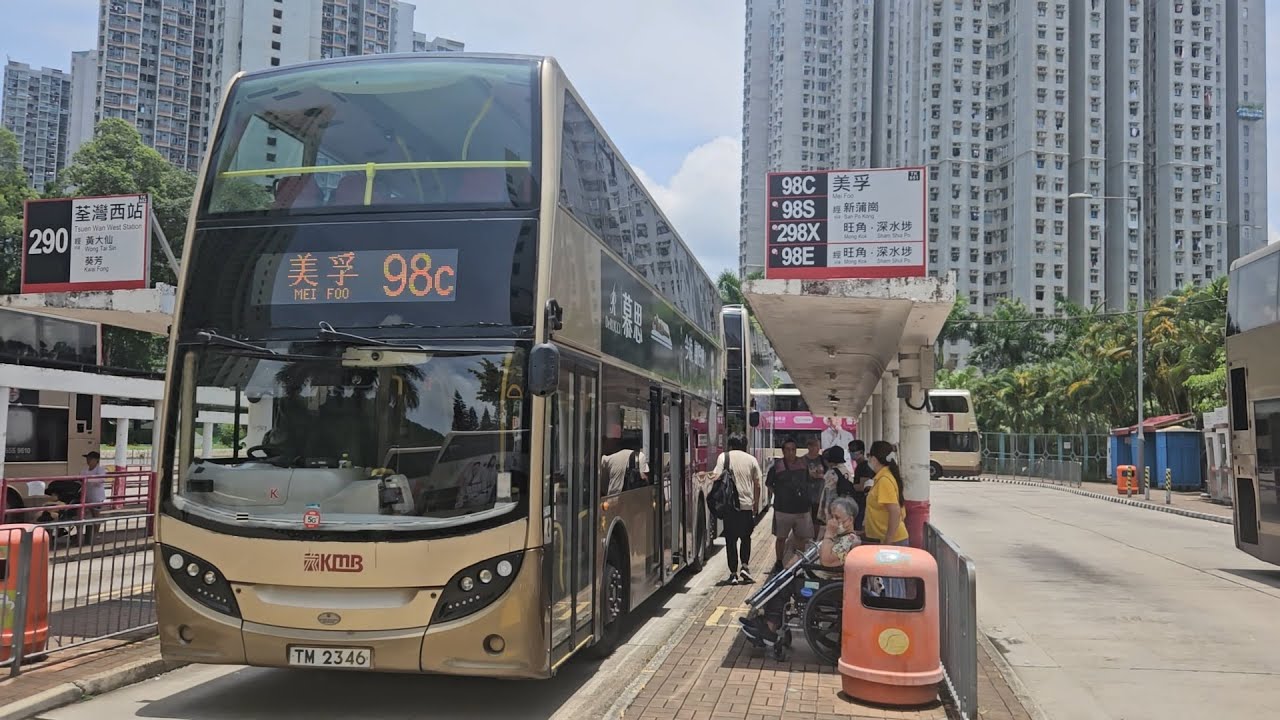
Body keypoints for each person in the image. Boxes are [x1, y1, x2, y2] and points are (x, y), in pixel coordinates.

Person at [742, 495, 861, 645]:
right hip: (819, 576)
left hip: (824, 583)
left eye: (837, 517)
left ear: (849, 520)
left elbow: (826, 560)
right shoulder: (840, 536)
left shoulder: (849, 540)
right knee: (781, 577)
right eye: (832, 516)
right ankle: (765, 620)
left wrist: (829, 533)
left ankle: (770, 627)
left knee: (785, 584)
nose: (832, 521)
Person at [709, 435, 763, 584]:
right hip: (746, 506)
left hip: (730, 506)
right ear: (745, 445)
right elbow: (758, 484)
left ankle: (733, 573)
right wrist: (756, 504)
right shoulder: (751, 459)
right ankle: (744, 566)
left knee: (731, 540)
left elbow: (716, 477)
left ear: (730, 445)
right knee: (746, 538)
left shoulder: (724, 457)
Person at [765, 438, 814, 574]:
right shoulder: (777, 467)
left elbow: (808, 482)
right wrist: (780, 494)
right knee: (781, 538)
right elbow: (769, 484)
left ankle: (800, 562)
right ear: (783, 451)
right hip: (783, 510)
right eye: (788, 449)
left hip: (802, 510)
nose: (791, 452)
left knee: (801, 539)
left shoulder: (803, 465)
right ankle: (779, 562)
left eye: (793, 449)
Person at [864, 440, 909, 546]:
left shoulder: (884, 480)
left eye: (869, 456)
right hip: (885, 537)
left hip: (893, 540)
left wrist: (889, 539)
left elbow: (895, 511)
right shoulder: (883, 477)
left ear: (874, 459)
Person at [847, 440, 876, 533]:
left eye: (854, 450)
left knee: (858, 528)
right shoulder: (860, 465)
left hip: (862, 503)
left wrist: (850, 486)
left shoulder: (864, 466)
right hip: (860, 502)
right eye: (850, 450)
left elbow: (862, 486)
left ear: (861, 452)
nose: (851, 452)